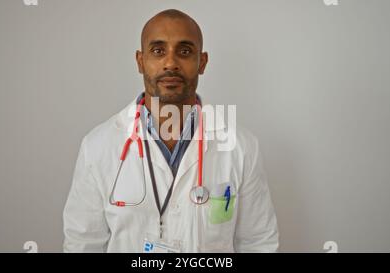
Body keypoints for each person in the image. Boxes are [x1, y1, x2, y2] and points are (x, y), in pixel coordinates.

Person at [63, 9, 278, 252]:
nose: (171, 63)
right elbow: (83, 245)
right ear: (140, 61)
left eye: (184, 51)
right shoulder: (98, 146)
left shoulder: (241, 146)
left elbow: (257, 243)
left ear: (202, 62)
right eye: (158, 51)